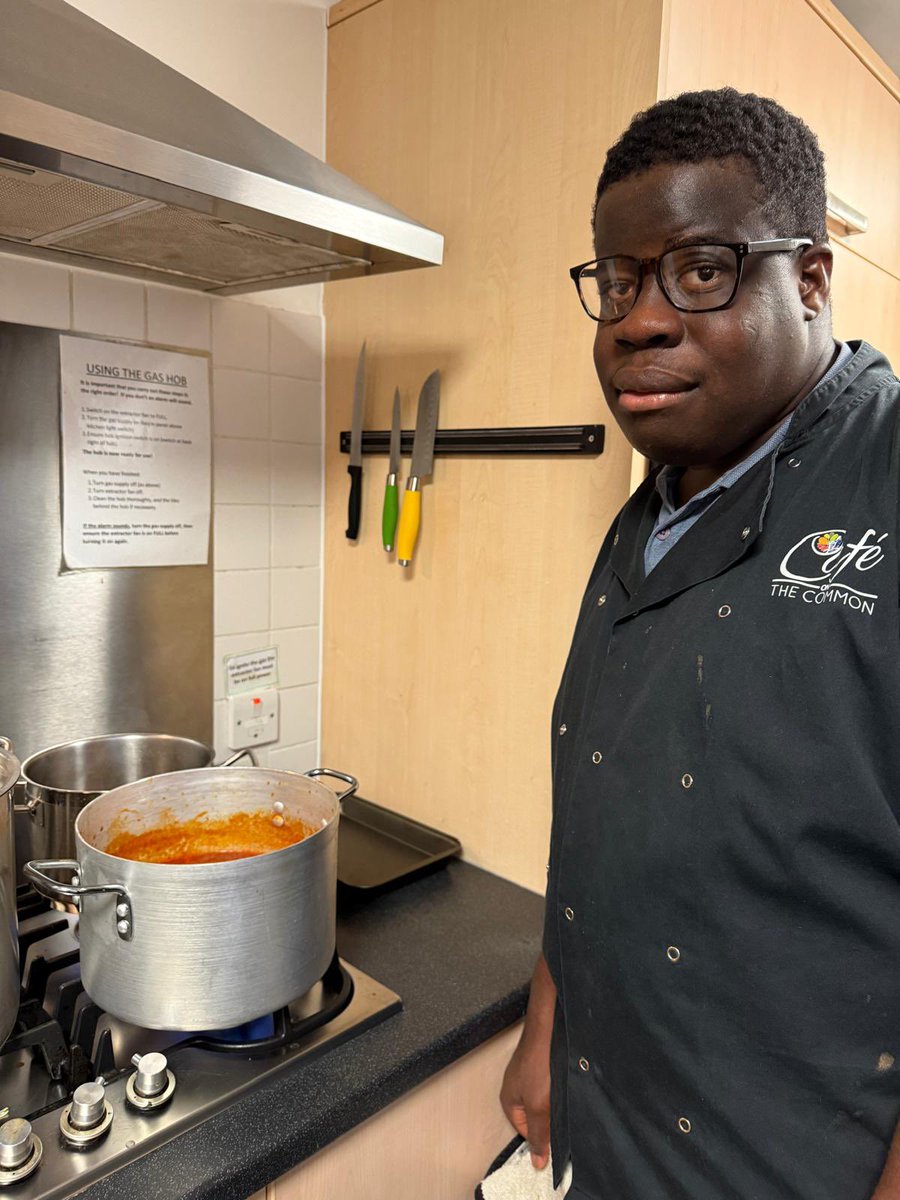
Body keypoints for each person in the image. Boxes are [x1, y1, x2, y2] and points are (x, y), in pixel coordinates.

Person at [500, 87, 900, 1200]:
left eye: (702, 271)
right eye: (619, 280)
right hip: (615, 1126)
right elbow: (598, 800)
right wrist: (545, 1028)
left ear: (812, 279)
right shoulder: (655, 504)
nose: (638, 318)